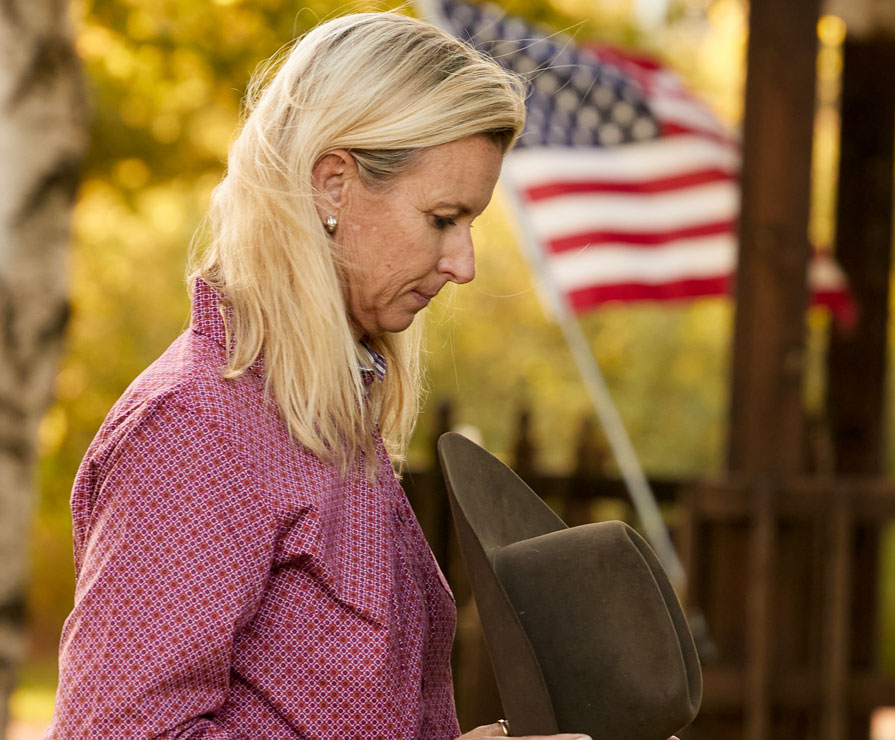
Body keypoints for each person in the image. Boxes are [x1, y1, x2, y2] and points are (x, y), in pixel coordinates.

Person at [46, 12, 586, 740]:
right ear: (332, 182)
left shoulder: (324, 423)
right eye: (442, 219)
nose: (465, 263)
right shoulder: (196, 429)